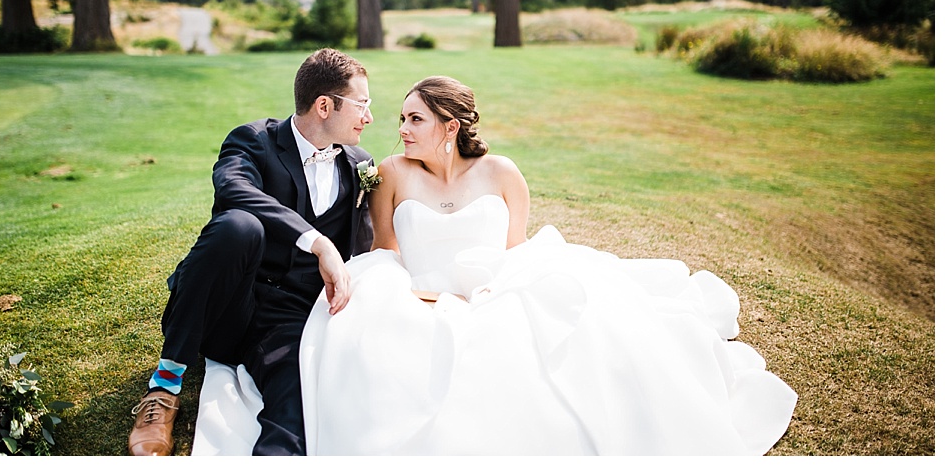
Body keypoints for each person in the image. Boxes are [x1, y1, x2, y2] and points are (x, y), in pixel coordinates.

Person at [298, 75, 798, 455]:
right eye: (401, 119)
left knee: (578, 345)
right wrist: (417, 297)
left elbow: (515, 252)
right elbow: (387, 250)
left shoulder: (501, 173)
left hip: (497, 292)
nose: (402, 129)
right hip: (421, 298)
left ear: (450, 126)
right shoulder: (390, 174)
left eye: (415, 119)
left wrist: (488, 293)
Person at [127, 48, 376, 456]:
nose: (369, 117)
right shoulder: (254, 140)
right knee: (239, 225)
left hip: (290, 320)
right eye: (362, 104)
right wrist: (316, 241)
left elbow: (365, 247)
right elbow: (233, 189)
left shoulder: (359, 164)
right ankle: (164, 388)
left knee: (297, 405)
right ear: (324, 105)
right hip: (224, 306)